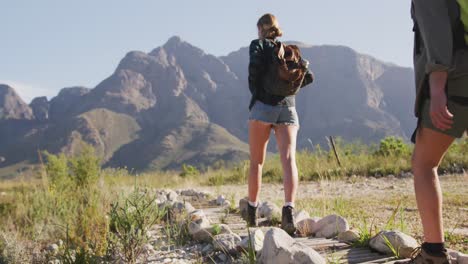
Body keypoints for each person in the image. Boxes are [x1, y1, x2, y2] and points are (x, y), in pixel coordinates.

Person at [397, 1, 468, 263]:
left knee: (424, 163)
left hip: (457, 76)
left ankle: (433, 253)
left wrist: (437, 87)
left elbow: (436, 30)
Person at [246, 13, 314, 235]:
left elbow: (254, 71)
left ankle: (252, 213)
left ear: (261, 29)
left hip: (263, 107)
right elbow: (308, 77)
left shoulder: (259, 45)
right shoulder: (290, 50)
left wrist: (258, 91)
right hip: (288, 108)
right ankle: (288, 212)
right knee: (289, 160)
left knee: (257, 162)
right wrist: (286, 90)